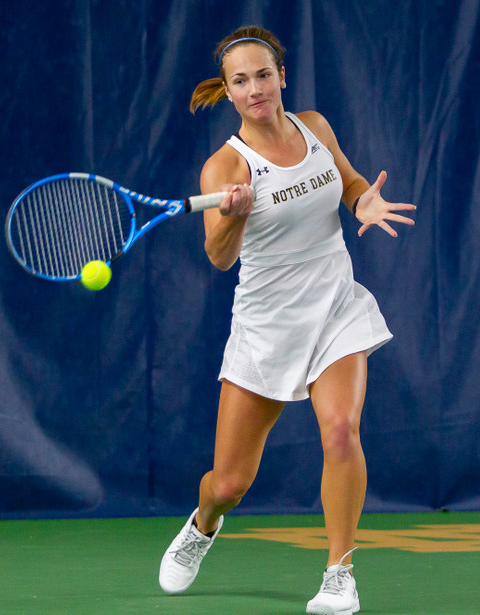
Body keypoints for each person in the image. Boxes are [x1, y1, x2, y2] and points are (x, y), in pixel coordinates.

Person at [158, 25, 415, 615]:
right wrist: (234, 218)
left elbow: (347, 182)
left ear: (281, 76)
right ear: (226, 92)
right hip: (266, 329)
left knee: (341, 431)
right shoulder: (223, 167)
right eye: (241, 81)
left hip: (334, 307)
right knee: (229, 483)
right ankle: (202, 525)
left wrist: (363, 202)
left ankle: (339, 574)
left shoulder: (315, 126)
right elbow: (219, 257)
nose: (255, 89)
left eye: (263, 75)